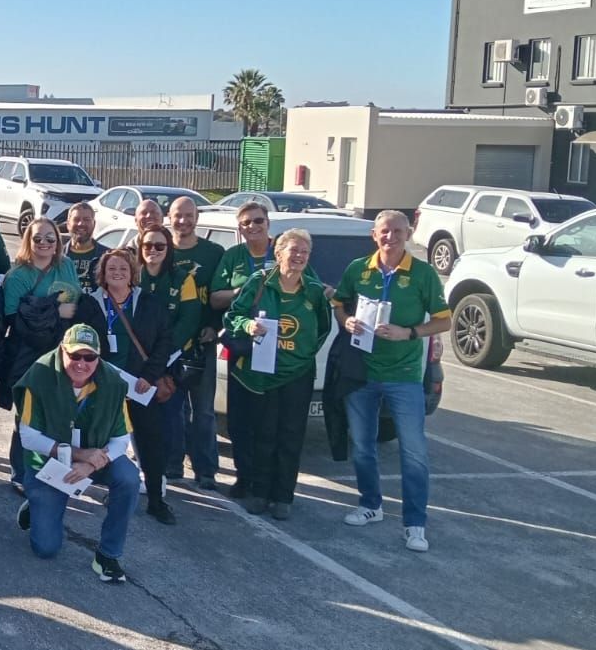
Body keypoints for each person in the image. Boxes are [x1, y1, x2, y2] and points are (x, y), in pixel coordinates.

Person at [332, 211, 450, 553]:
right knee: (363, 446)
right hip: (362, 373)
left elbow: (444, 320)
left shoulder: (423, 274)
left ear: (408, 233)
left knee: (413, 452)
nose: (391, 237)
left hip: (404, 377)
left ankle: (415, 524)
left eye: (398, 231)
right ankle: (370, 504)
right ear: (374, 234)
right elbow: (339, 303)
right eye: (385, 231)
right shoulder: (358, 269)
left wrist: (409, 332)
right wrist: (347, 320)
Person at [13, 324, 138, 583]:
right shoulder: (38, 375)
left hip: (94, 460)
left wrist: (90, 466)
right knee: (45, 549)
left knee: (129, 478)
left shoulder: (114, 382)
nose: (82, 363)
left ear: (98, 358)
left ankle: (108, 555)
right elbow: (27, 436)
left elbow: (121, 439)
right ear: (62, 351)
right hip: (49, 464)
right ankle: (35, 505)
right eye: (75, 356)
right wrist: (80, 455)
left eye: (90, 357)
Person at [224, 229, 332, 520]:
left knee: (291, 435)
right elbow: (232, 316)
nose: (298, 257)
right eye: (293, 250)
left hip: (298, 373)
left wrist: (303, 354)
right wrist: (248, 326)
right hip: (264, 371)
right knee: (264, 433)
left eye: (304, 252)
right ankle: (260, 493)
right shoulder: (260, 282)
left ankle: (283, 496)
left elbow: (323, 328)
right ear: (279, 252)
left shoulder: (313, 290)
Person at [0, 218, 104, 494]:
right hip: (29, 353)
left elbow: (78, 302)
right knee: (28, 415)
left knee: (57, 414)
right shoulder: (18, 275)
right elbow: (13, 316)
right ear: (27, 241)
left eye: (50, 238)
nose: (44, 243)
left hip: (64, 353)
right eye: (37, 239)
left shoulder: (66, 265)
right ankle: (20, 472)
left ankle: (55, 470)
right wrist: (55, 312)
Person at [90, 248, 177, 525]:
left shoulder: (150, 304)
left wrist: (149, 376)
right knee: (104, 442)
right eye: (111, 268)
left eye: (123, 268)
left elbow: (164, 342)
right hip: (103, 386)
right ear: (102, 274)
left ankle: (156, 500)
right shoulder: (90, 304)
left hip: (140, 386)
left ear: (132, 274)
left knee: (151, 442)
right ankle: (114, 491)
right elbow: (81, 341)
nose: (117, 272)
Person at [166, 196, 225, 491]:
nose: (183, 221)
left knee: (203, 410)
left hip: (203, 343)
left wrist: (215, 326)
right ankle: (174, 465)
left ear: (197, 217)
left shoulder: (213, 252)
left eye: (189, 215)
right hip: (171, 345)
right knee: (174, 408)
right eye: (178, 215)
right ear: (169, 217)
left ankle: (206, 469)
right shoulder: (161, 249)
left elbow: (221, 297)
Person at [65, 202, 105, 294]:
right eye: (76, 219)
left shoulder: (107, 256)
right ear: (68, 224)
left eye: (86, 219)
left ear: (94, 224)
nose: (81, 223)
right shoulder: (56, 256)